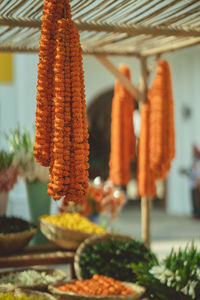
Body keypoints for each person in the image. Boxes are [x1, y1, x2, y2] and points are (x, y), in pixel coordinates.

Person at [180, 145, 200, 219]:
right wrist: (185, 172)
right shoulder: (193, 161)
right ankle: (195, 214)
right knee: (194, 200)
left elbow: (197, 173)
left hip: (197, 184)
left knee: (197, 200)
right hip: (192, 184)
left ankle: (198, 215)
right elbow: (191, 172)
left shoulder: (198, 162)